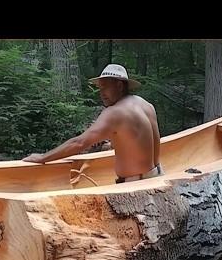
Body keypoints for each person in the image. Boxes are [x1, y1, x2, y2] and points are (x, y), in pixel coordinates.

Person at [22, 64, 163, 183]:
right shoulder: (146, 105)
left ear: (119, 85)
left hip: (135, 186)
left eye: (105, 87)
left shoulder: (115, 112)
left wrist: (42, 158)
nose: (101, 93)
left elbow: (79, 143)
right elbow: (140, 142)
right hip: (156, 176)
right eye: (100, 88)